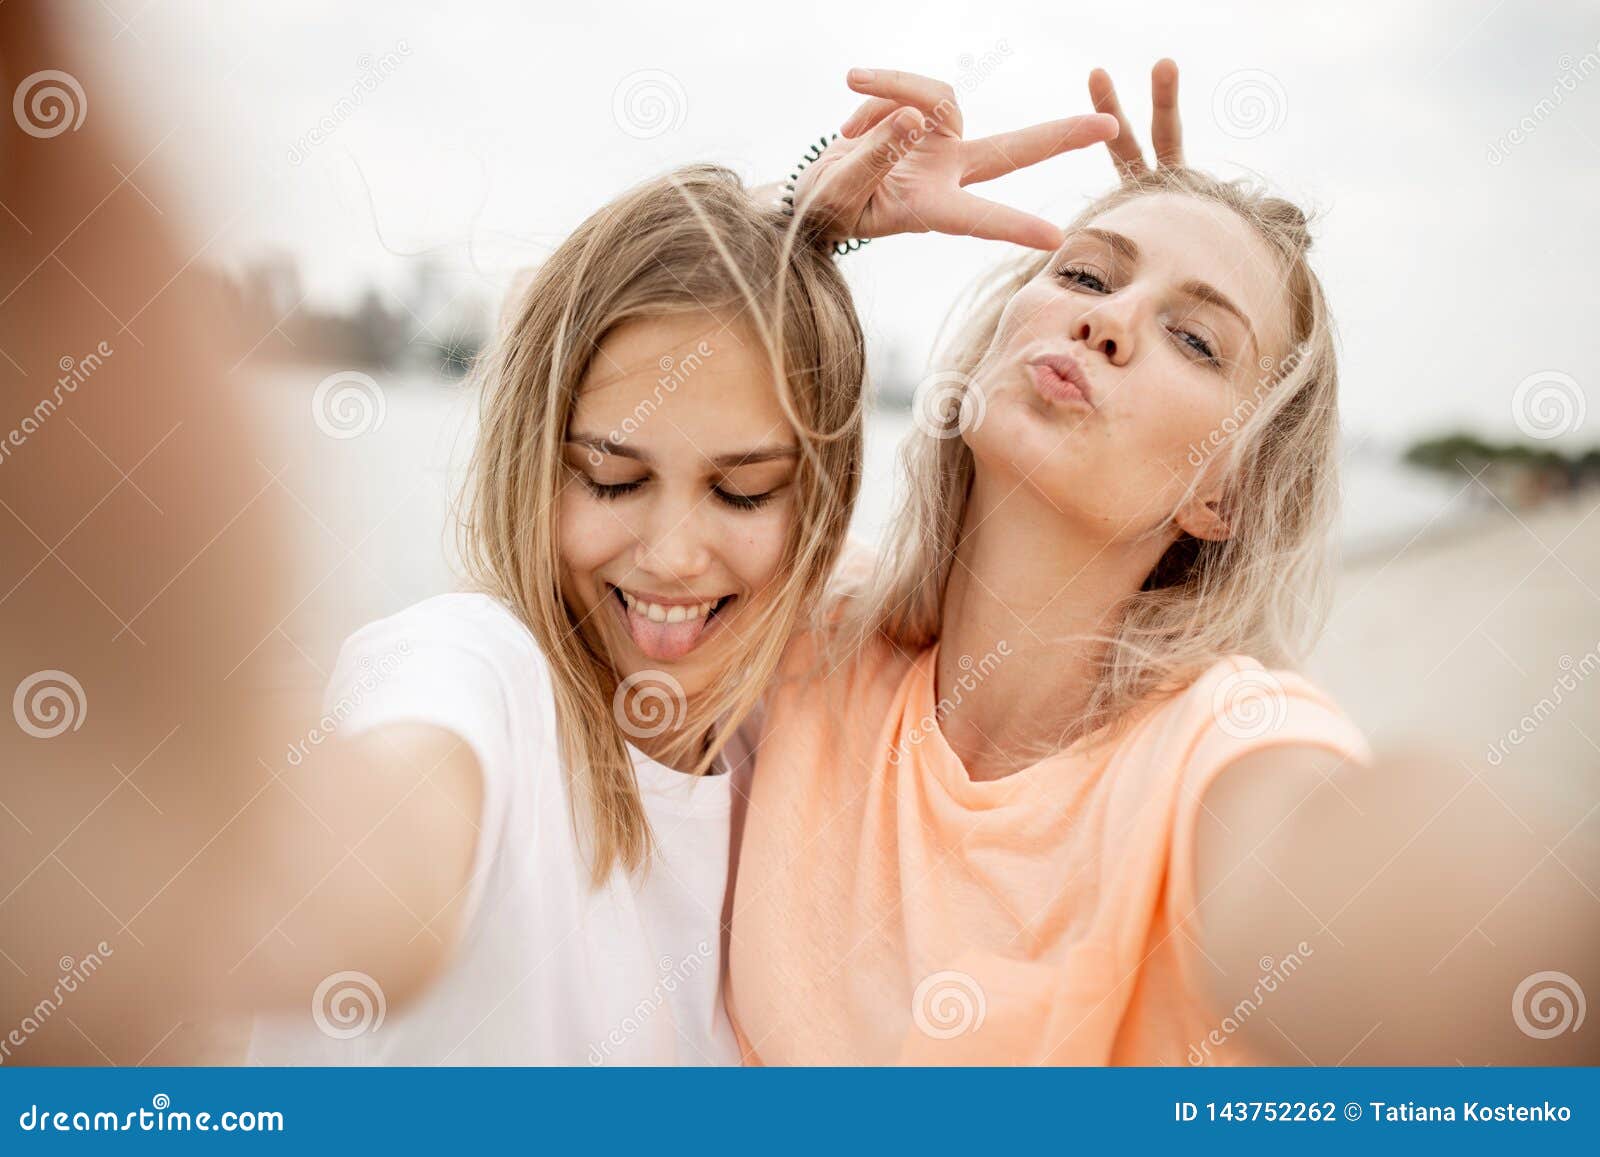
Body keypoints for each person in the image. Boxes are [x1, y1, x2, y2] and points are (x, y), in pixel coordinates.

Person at [726, 65, 1600, 1066]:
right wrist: (802, 218)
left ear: (1224, 493)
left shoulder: (1211, 755)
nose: (1108, 321)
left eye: (1193, 338)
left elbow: (1380, 875)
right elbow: (591, 405)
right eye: (1088, 275)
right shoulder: (817, 620)